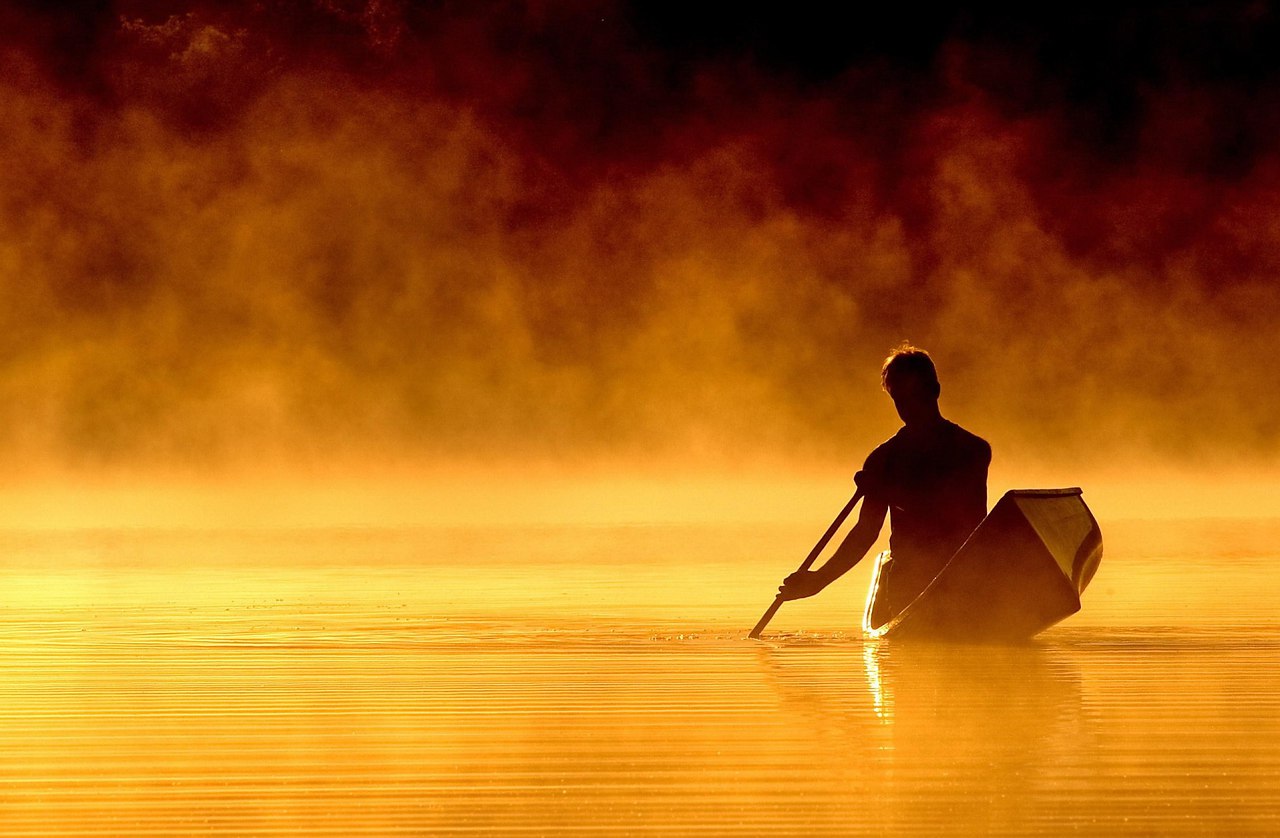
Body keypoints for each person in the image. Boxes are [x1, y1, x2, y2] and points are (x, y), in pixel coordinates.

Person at [777, 345, 991, 623]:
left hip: (966, 578)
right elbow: (865, 532)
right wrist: (819, 580)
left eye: (916, 396)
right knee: (911, 583)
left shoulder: (972, 450)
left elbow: (953, 510)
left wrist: (886, 491)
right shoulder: (883, 460)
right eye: (900, 399)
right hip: (910, 582)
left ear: (935, 391)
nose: (909, 408)